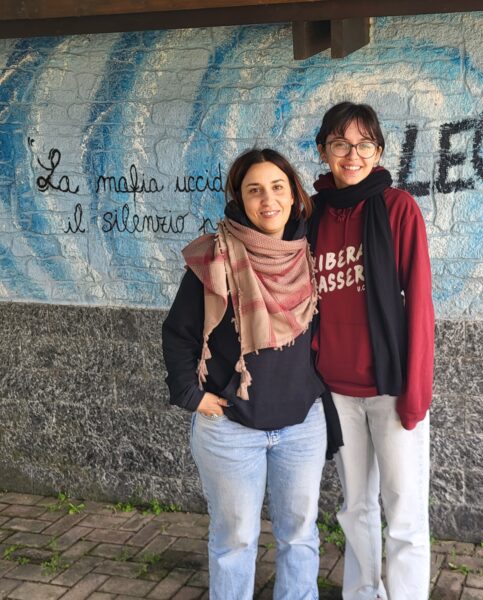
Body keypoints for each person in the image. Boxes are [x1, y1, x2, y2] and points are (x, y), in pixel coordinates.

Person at [162, 148, 339, 600]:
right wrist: (190, 394)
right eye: (254, 190)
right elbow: (179, 332)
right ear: (240, 199)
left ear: (294, 194)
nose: (268, 200)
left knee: (299, 533)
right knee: (236, 539)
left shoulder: (311, 252)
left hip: (301, 425)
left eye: (277, 187)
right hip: (231, 428)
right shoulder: (216, 256)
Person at [309, 102, 435, 600]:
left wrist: (415, 393)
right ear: (324, 151)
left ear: (379, 151)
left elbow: (419, 303)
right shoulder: (312, 215)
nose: (352, 154)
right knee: (355, 508)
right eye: (340, 143)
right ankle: (363, 592)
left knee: (404, 511)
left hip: (391, 385)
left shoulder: (398, 208)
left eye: (364, 144)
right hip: (336, 390)